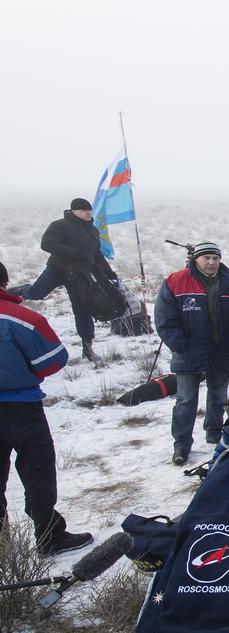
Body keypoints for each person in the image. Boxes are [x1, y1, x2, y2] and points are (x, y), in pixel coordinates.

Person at [0, 288, 92, 553]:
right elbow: (54, 359)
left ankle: (3, 549)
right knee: (37, 471)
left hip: (20, 404)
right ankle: (49, 536)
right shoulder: (20, 318)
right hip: (21, 407)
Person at [154, 241, 229, 465]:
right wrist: (179, 344)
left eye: (215, 258)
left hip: (222, 351)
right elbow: (164, 318)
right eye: (206, 258)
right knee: (185, 399)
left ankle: (214, 433)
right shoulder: (176, 281)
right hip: (189, 352)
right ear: (196, 260)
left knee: (218, 397)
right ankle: (181, 444)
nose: (211, 262)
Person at [26, 198, 116, 363]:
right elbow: (47, 244)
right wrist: (75, 254)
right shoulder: (59, 225)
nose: (88, 213)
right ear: (74, 211)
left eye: (89, 210)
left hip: (79, 274)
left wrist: (108, 272)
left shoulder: (93, 230)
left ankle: (87, 348)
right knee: (36, 293)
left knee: (83, 309)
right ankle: (19, 291)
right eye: (84, 210)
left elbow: (97, 254)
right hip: (58, 269)